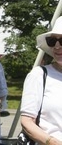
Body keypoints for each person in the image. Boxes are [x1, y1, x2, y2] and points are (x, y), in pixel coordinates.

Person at [20, 16, 62, 144]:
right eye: (52, 41)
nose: (57, 46)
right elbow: (27, 122)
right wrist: (53, 142)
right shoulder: (39, 75)